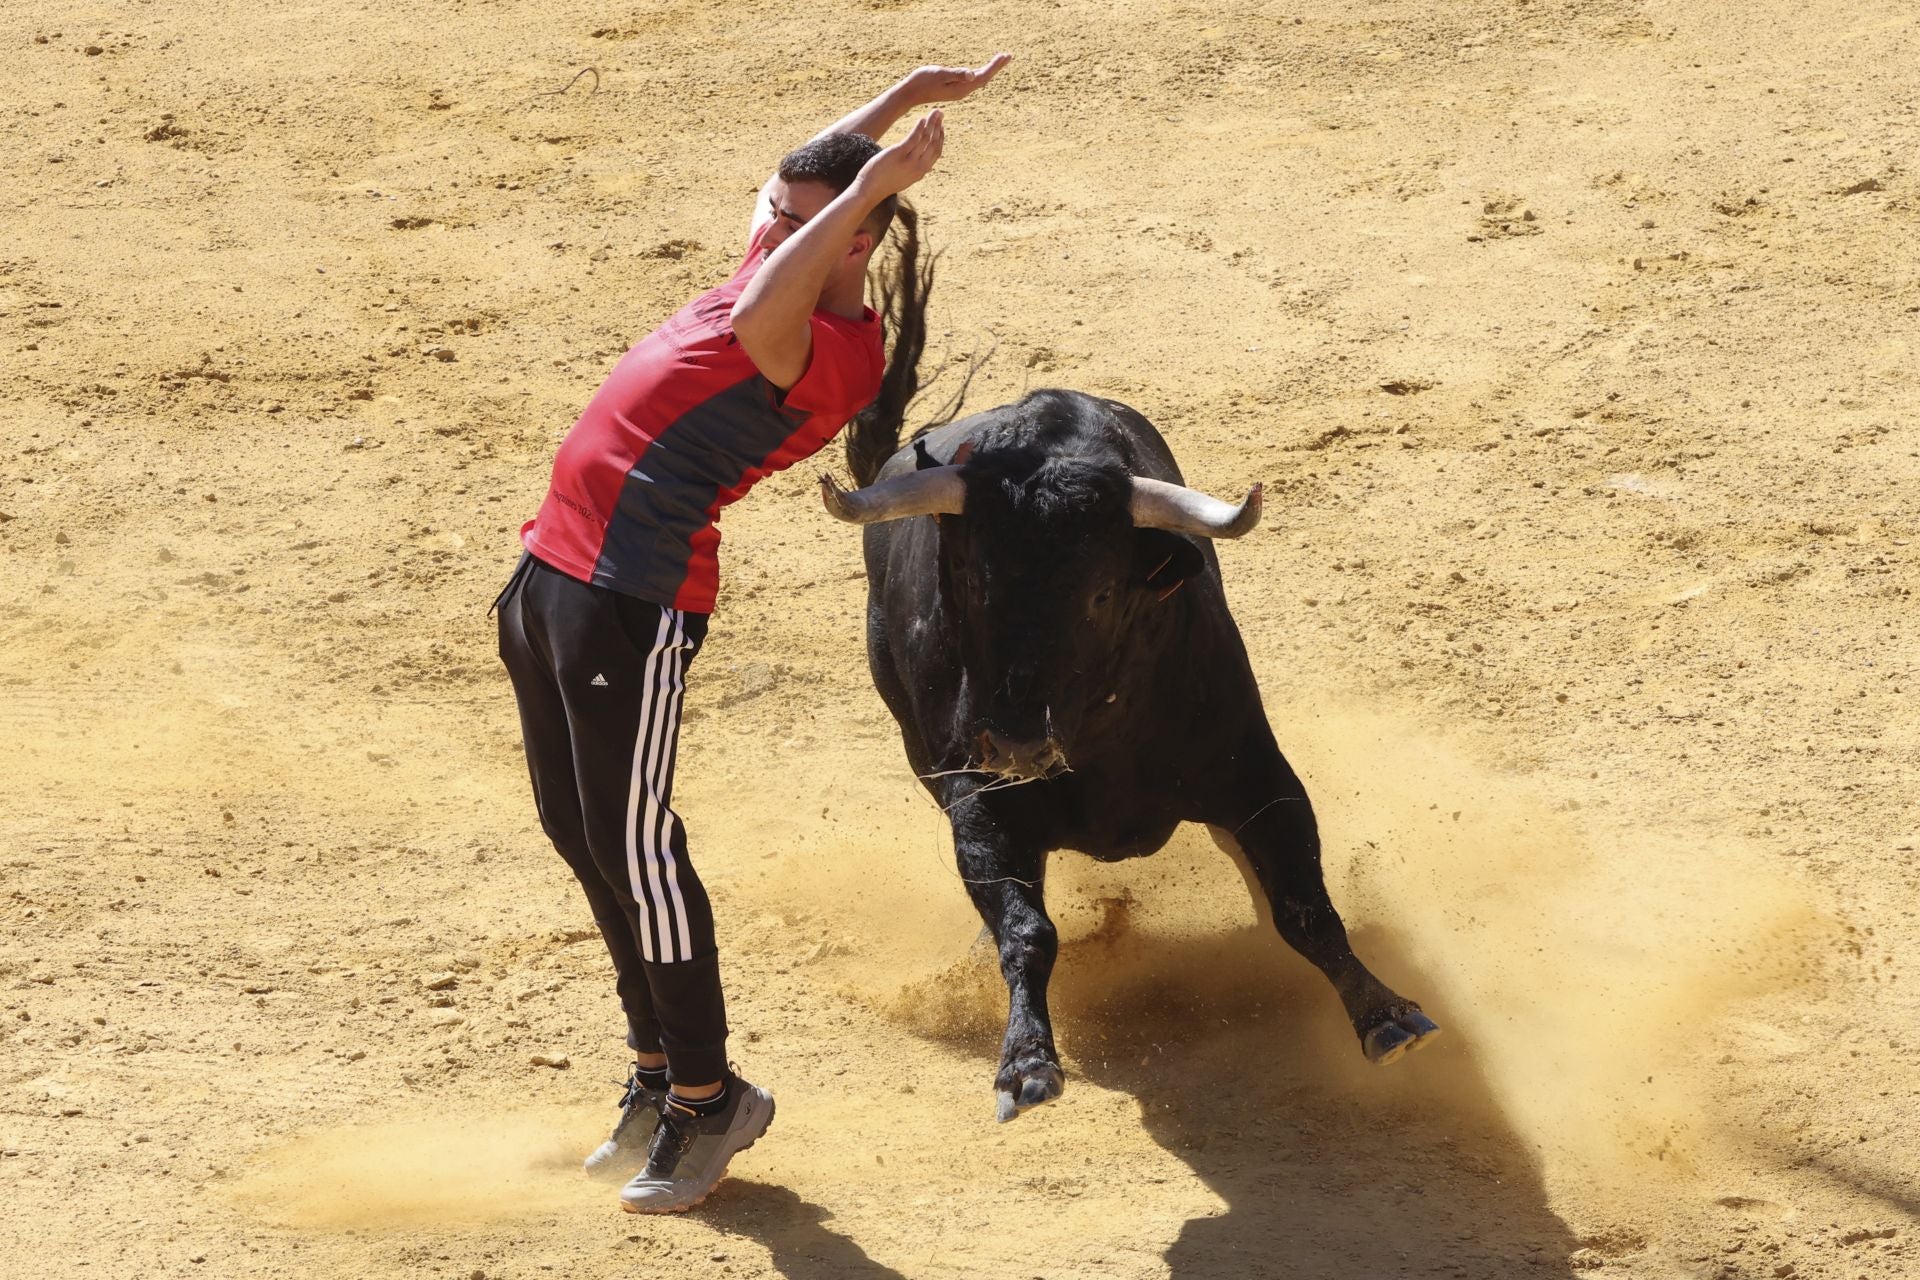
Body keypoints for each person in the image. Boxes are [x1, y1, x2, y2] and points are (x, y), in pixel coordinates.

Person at [492, 54, 1011, 1215]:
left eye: (792, 220)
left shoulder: (823, 349)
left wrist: (868, 182)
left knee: (640, 849)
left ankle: (712, 1095)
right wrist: (897, 100)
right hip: (554, 571)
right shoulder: (787, 260)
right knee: (581, 833)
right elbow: (796, 200)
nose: (763, 225)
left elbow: (804, 250)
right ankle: (655, 1071)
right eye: (777, 211)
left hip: (637, 598)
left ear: (849, 244)